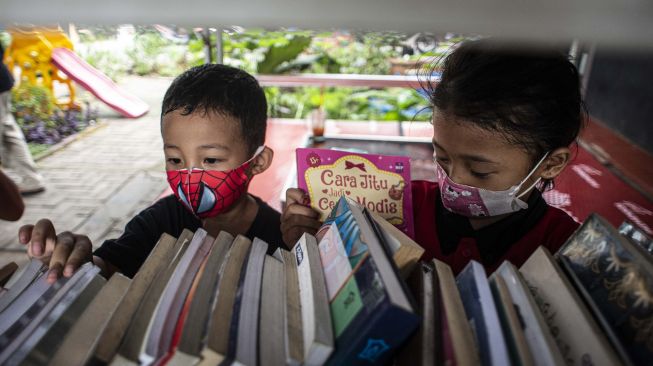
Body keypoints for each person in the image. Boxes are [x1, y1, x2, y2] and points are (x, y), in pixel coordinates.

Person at [282, 39, 582, 274]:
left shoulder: (568, 250)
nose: (454, 181)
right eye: (442, 158)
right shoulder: (391, 203)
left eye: (480, 171)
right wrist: (308, 243)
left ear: (551, 164)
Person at [19, 64, 283, 282]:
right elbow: (107, 268)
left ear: (257, 162)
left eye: (211, 159)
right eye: (175, 159)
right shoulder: (161, 222)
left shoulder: (281, 236)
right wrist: (72, 262)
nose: (189, 175)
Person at [0, 42, 46, 195]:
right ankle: (31, 179)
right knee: (9, 132)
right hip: (2, 82)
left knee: (7, 132)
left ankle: (30, 179)